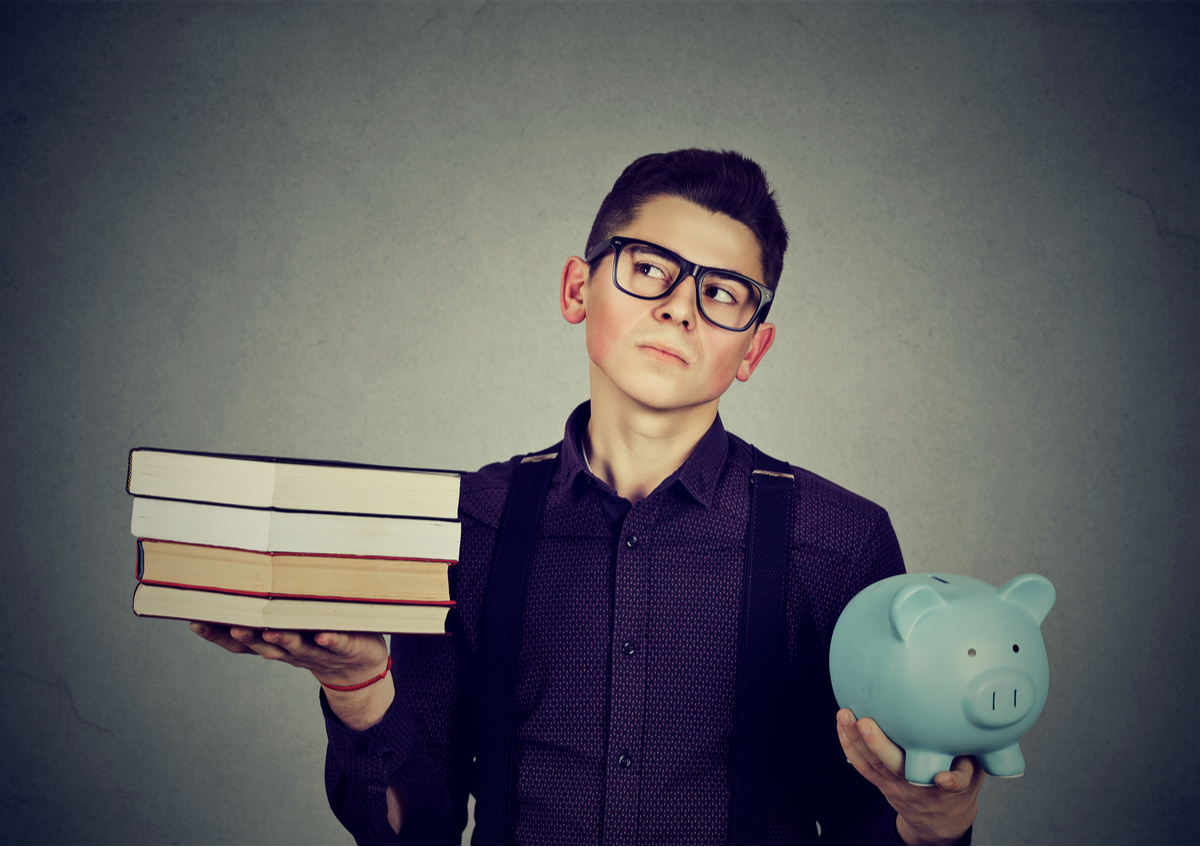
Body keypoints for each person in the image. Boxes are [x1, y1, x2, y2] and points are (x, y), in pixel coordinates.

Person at [192, 149, 984, 844]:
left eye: (725, 293)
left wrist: (933, 824)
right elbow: (417, 830)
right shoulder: (472, 523)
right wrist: (357, 682)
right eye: (648, 267)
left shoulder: (841, 541)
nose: (680, 306)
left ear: (753, 347)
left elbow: (873, 820)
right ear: (578, 287)